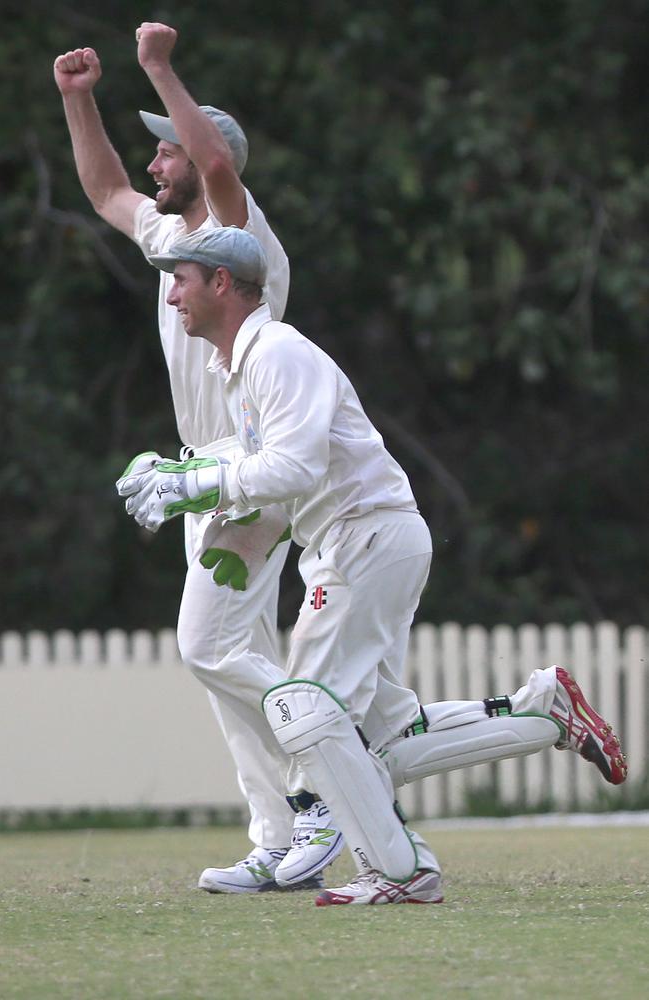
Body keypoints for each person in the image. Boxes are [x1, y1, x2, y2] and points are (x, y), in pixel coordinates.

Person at [118, 226, 627, 905]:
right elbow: (282, 475)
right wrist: (211, 495)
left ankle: (398, 869)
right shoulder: (240, 369)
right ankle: (544, 711)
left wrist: (195, 485)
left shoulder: (277, 353)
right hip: (358, 543)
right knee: (385, 737)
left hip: (365, 540)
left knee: (308, 711)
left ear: (221, 284)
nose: (172, 292)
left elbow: (293, 465)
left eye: (181, 277)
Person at [53, 22, 344, 893]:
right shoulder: (174, 242)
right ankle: (282, 834)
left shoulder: (239, 239)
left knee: (204, 646)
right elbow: (104, 187)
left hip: (247, 473)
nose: (156, 165)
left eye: (166, 150)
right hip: (198, 477)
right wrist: (77, 100)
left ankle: (331, 761)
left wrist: (158, 67)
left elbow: (217, 168)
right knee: (225, 669)